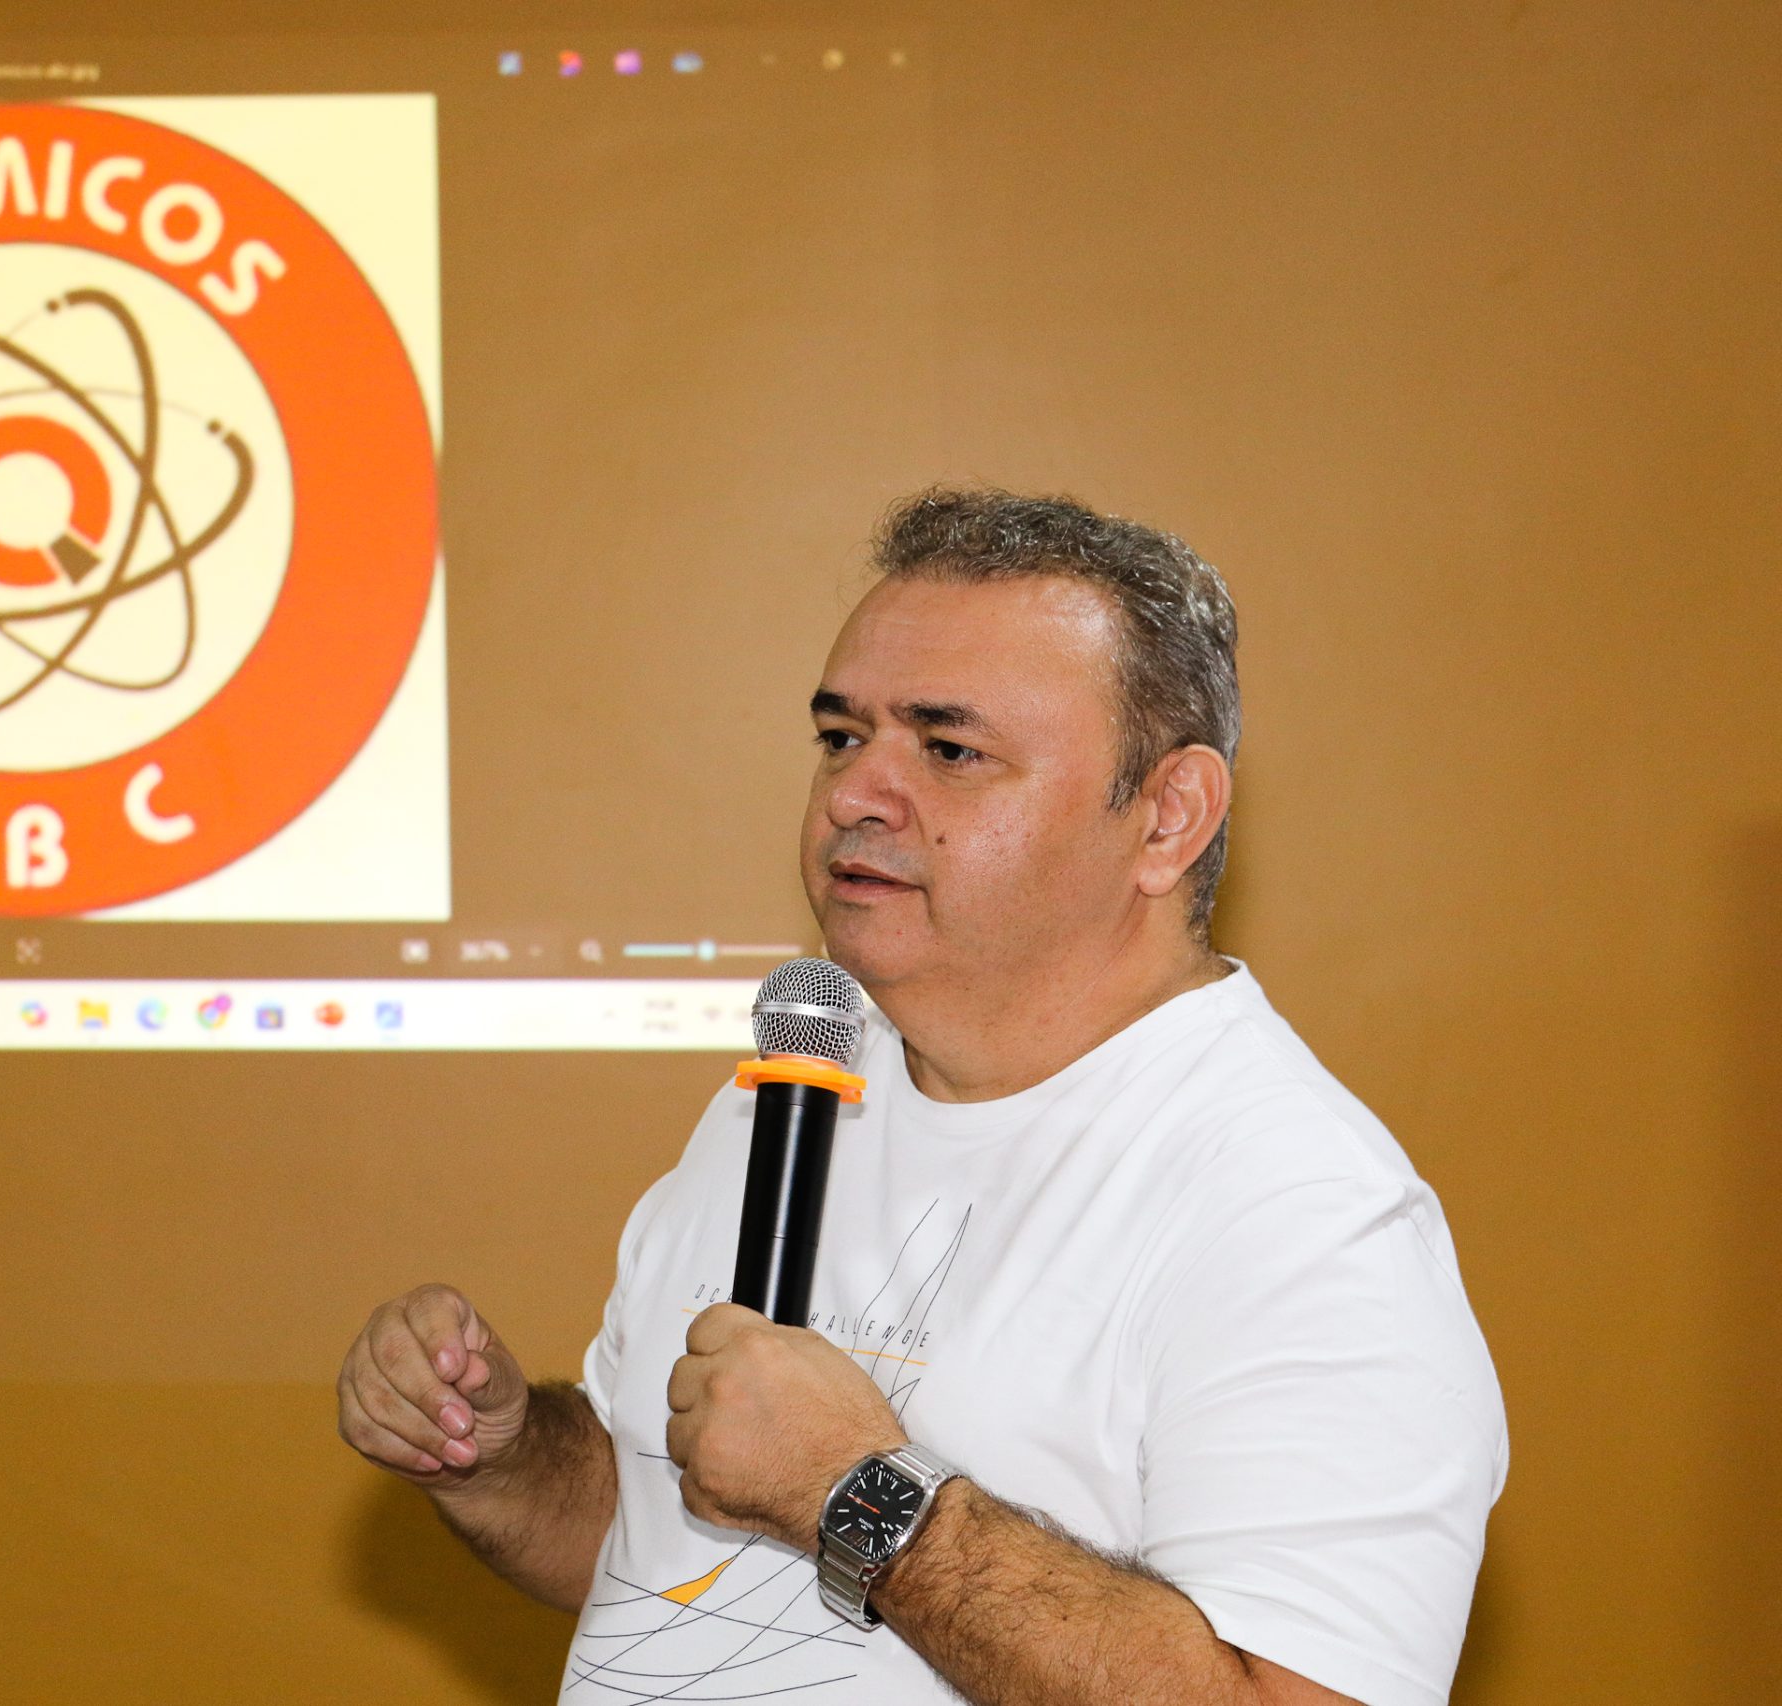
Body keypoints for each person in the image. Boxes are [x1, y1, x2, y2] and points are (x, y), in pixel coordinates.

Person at [336, 488, 1507, 1705]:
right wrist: (502, 1453)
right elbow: (664, 1549)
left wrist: (860, 1492)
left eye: (948, 750)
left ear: (1167, 818)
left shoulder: (1297, 1210)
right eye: (843, 737)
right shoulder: (788, 1095)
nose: (855, 793)